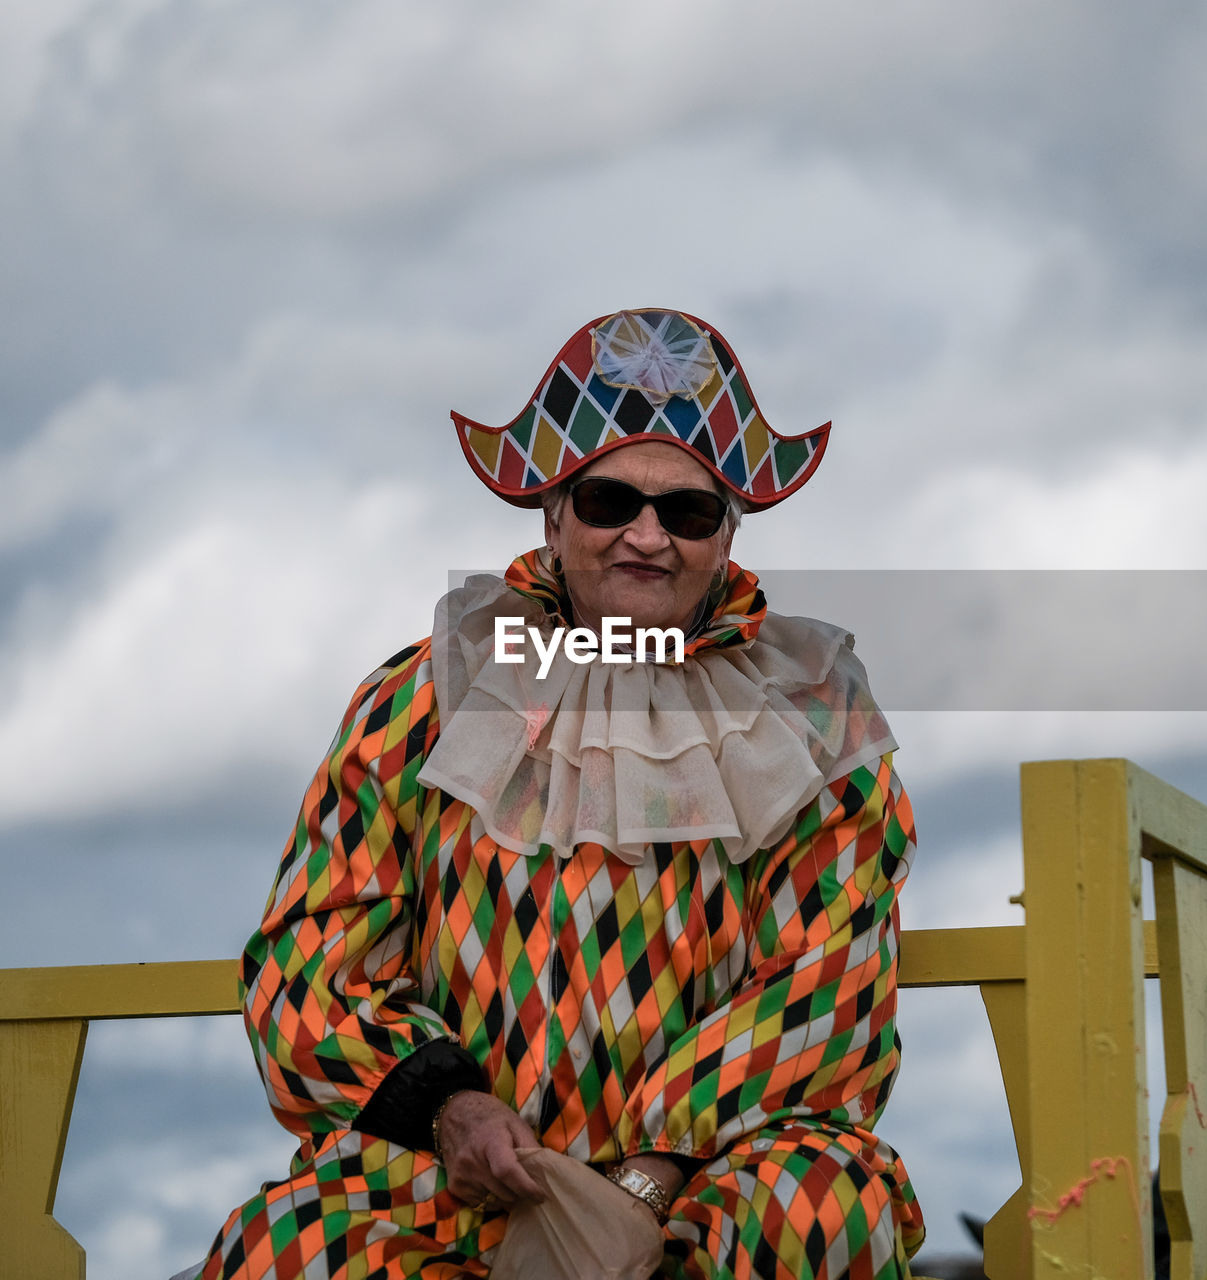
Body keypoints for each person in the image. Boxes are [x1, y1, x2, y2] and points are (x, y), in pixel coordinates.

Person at [185, 309, 925, 1279]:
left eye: (687, 511)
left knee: (819, 1210)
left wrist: (640, 1188)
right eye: (609, 500)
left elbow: (823, 982)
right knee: (287, 1247)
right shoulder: (416, 700)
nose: (646, 536)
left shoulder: (810, 712)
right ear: (551, 512)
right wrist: (452, 1108)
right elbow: (309, 961)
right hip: (450, 1179)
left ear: (727, 529)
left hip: (709, 1172)